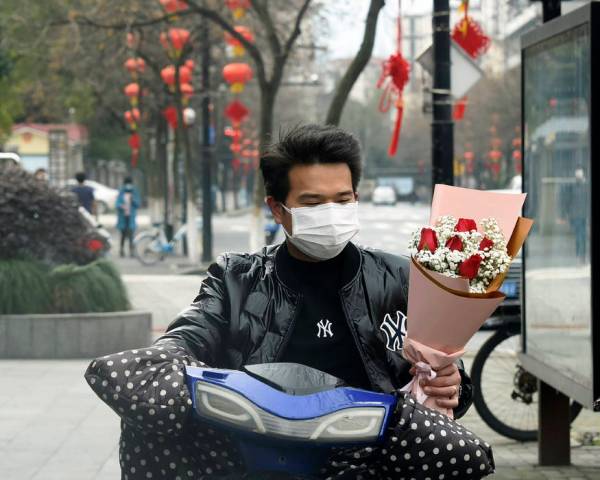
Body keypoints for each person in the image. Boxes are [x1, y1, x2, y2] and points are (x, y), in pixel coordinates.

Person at [86, 125, 494, 479]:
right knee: (144, 423)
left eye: (343, 199)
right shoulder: (236, 277)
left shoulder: (398, 277)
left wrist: (452, 381)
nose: (331, 214)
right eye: (313, 203)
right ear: (278, 210)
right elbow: (190, 333)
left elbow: (445, 373)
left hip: (369, 460)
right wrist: (170, 359)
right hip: (253, 453)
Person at [115, 176, 140, 257]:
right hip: (123, 217)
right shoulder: (121, 191)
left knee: (131, 235)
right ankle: (121, 250)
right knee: (123, 234)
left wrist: (133, 200)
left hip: (131, 217)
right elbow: (117, 204)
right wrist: (121, 206)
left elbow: (137, 204)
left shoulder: (134, 191)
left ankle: (131, 251)